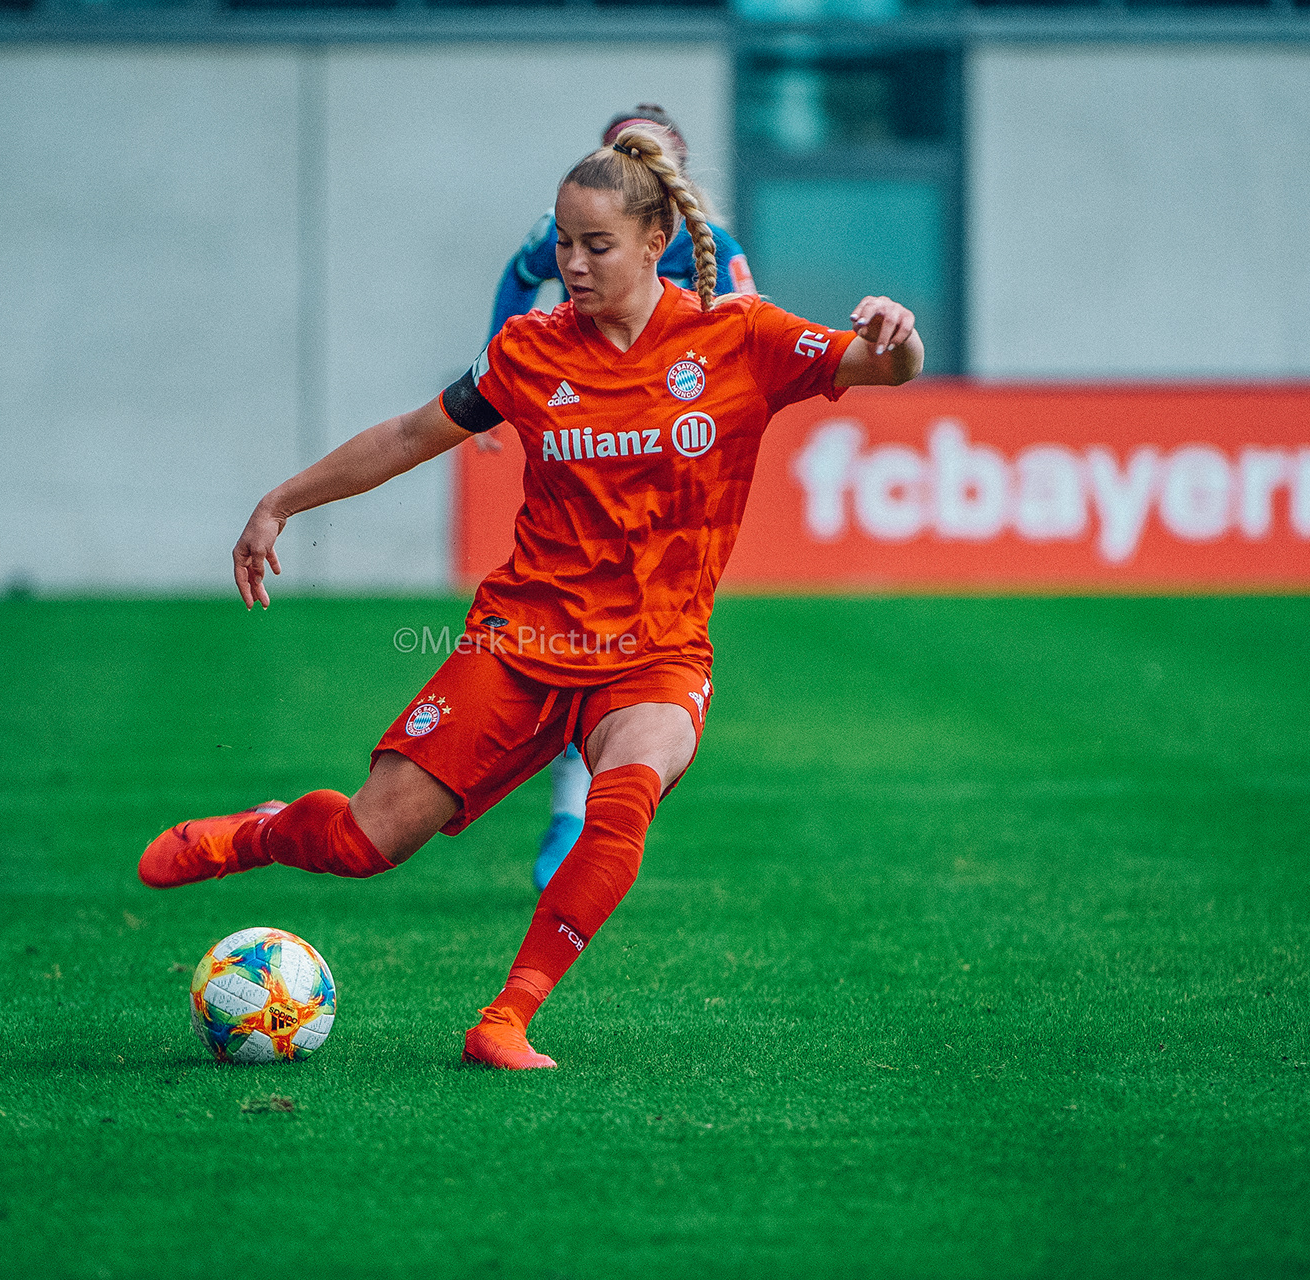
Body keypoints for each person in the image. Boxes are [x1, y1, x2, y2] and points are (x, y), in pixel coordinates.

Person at [139, 126, 921, 1071]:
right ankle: (259, 832)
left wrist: (899, 335)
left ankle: (505, 1018)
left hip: (657, 652)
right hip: (520, 641)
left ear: (656, 241)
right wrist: (280, 502)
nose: (571, 265)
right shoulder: (528, 350)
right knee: (363, 843)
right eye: (562, 242)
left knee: (624, 799)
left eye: (595, 245)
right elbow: (410, 435)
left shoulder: (740, 338)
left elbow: (882, 365)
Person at [485, 104, 758, 896]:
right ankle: (571, 812)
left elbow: (752, 335)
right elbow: (518, 277)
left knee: (639, 637)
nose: (577, 258)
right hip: (590, 441)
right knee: (582, 621)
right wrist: (498, 382)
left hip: (668, 467)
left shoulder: (716, 246)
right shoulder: (566, 234)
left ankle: (587, 809)